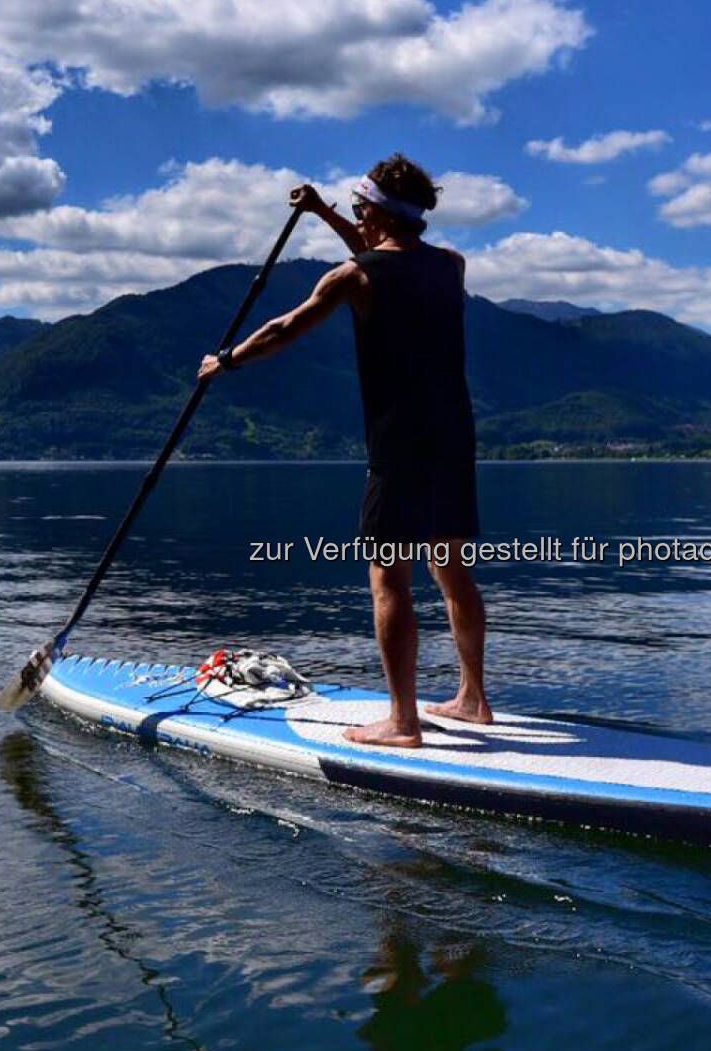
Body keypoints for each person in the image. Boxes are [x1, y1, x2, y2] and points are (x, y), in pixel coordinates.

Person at [198, 154, 491, 748]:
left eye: (359, 208)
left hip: (398, 443)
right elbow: (383, 248)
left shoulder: (349, 278)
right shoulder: (451, 267)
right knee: (452, 570)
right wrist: (323, 212)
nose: (355, 218)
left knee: (389, 578)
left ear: (372, 210)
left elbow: (285, 328)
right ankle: (473, 700)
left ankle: (403, 722)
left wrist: (224, 361)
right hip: (455, 437)